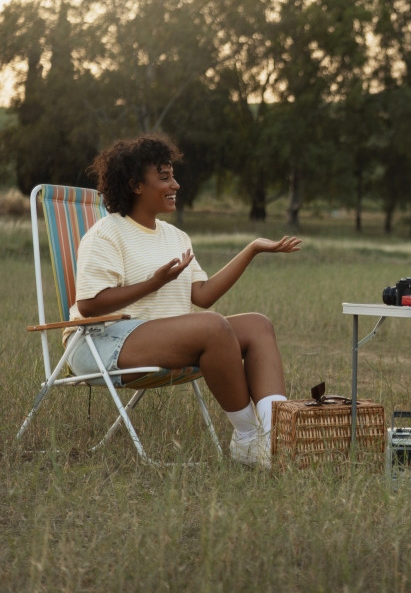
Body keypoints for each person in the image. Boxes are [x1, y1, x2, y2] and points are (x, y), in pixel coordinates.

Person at [68, 134, 301, 469]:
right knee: (213, 326)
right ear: (135, 186)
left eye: (173, 175)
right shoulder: (106, 234)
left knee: (257, 325)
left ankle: (277, 436)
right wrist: (153, 283)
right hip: (101, 343)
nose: (175, 184)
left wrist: (252, 249)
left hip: (157, 338)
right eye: (164, 177)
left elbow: (202, 295)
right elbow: (89, 305)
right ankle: (249, 439)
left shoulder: (175, 237)